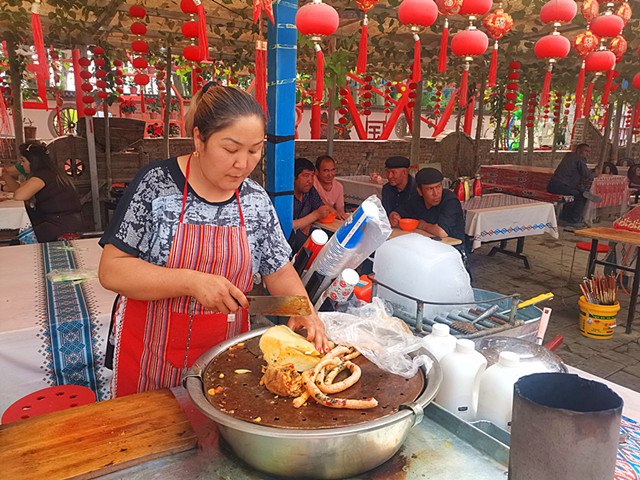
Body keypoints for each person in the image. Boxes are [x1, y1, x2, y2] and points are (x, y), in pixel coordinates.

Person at [98, 84, 329, 398]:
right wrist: (192, 282)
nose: (243, 164)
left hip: (224, 356)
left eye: (254, 150)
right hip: (150, 355)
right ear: (198, 139)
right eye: (231, 150)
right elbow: (113, 270)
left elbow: (278, 269)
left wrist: (302, 308)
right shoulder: (157, 185)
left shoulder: (254, 199)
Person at [1, 141, 83, 242]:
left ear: (33, 162)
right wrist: (5, 174)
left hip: (59, 225)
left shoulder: (41, 177)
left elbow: (19, 195)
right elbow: (18, 188)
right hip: (64, 222)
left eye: (23, 161)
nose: (21, 164)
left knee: (18, 241)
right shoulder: (48, 173)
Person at [547, 143, 601, 226]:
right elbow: (586, 174)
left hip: (552, 185)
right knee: (581, 196)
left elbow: (580, 170)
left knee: (577, 192)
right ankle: (573, 220)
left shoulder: (568, 156)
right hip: (562, 186)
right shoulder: (580, 157)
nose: (587, 154)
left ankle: (564, 217)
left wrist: (590, 172)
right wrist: (594, 174)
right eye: (586, 151)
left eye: (589, 152)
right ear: (579, 151)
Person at [411, 167, 465, 247]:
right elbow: (401, 216)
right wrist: (395, 215)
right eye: (430, 189)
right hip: (426, 246)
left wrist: (422, 225)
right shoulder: (417, 199)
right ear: (420, 191)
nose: (436, 193)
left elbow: (441, 232)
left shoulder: (450, 200)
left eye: (438, 187)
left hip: (452, 249)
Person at [292, 157, 331, 235]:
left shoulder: (310, 190)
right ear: (294, 178)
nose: (310, 181)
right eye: (305, 176)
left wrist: (307, 223)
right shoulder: (285, 197)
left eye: (312, 176)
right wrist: (314, 216)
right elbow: (286, 226)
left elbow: (321, 209)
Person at [381, 155, 420, 228]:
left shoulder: (417, 190)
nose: (389, 176)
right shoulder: (387, 189)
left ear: (404, 172)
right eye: (387, 172)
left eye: (393, 172)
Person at [314, 155, 348, 220]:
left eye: (332, 170)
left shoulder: (338, 187)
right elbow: (320, 199)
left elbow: (340, 211)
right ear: (316, 171)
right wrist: (334, 212)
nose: (330, 174)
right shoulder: (312, 182)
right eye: (326, 171)